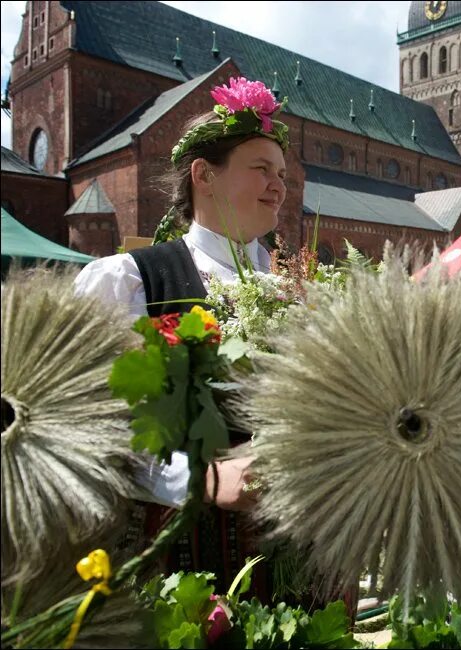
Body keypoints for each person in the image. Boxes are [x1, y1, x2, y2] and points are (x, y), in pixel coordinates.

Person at [74, 77, 289, 591]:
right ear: (203, 175)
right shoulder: (128, 279)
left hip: (293, 567)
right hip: (175, 570)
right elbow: (83, 429)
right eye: (261, 169)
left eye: (282, 173)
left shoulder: (294, 289)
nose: (279, 186)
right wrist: (201, 479)